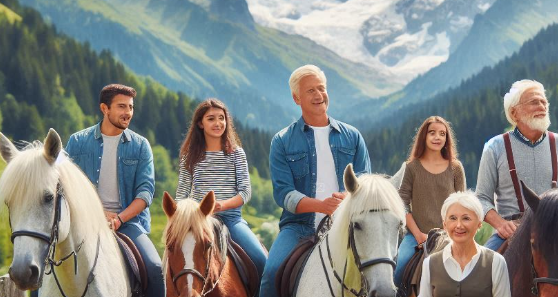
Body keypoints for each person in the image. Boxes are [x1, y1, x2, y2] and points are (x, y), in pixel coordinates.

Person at [475, 79, 558, 296]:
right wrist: (500, 224)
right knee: (477, 277)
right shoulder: (495, 147)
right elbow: (481, 198)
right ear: (514, 112)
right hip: (512, 229)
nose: (542, 106)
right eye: (533, 102)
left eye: (544, 101)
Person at [259, 64, 372, 297]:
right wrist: (320, 206)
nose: (319, 95)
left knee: (381, 271)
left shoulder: (353, 137)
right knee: (271, 274)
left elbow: (365, 182)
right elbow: (283, 193)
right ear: (296, 98)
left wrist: (347, 199)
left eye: (321, 88)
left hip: (349, 225)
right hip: (298, 226)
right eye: (311, 90)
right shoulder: (282, 141)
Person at [66, 84, 164, 297]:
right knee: (44, 271)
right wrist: (99, 215)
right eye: (121, 106)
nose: (128, 112)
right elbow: (65, 187)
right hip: (83, 221)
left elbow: (145, 194)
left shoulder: (141, 145)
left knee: (155, 268)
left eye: (130, 107)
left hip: (128, 223)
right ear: (104, 108)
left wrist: (118, 219)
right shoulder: (77, 142)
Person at [174, 98, 267, 279]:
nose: (218, 123)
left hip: (232, 219)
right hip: (199, 221)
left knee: (261, 260)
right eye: (211, 119)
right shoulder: (190, 156)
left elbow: (245, 192)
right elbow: (182, 194)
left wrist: (222, 205)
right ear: (200, 123)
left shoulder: (236, 153)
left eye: (221, 118)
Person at [394, 116, 466, 293]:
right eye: (432, 133)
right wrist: (418, 234)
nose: (437, 137)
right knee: (397, 270)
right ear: (423, 137)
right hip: (415, 236)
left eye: (442, 134)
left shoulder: (455, 167)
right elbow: (402, 204)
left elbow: (462, 205)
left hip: (450, 234)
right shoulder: (411, 167)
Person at [417, 191, 510, 297]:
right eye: (453, 218)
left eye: (466, 218)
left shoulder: (496, 262)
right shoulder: (429, 263)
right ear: (445, 224)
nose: (459, 225)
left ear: (479, 224)